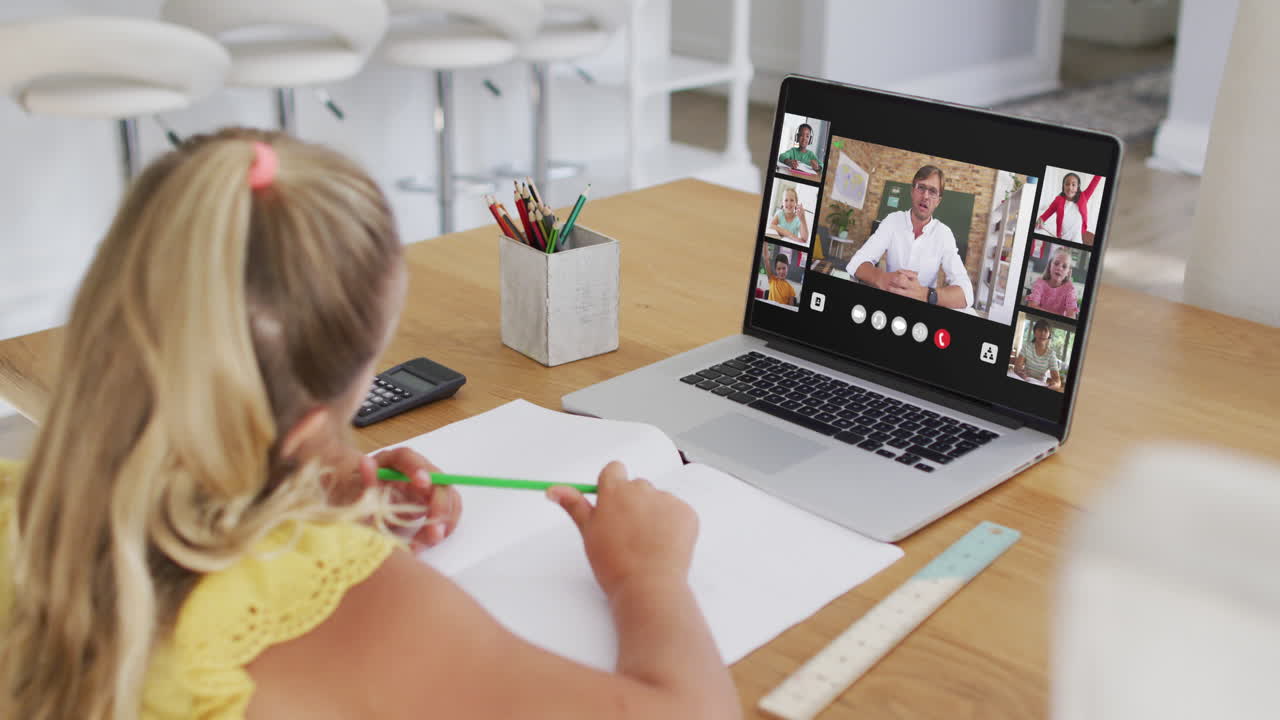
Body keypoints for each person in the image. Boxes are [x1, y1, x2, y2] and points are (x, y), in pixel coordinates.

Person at [0, 129, 740, 720]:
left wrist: (293, 504)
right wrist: (646, 575)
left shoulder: (17, 508)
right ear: (305, 427)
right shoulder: (348, 611)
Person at [844, 165, 974, 310]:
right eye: (921, 187)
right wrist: (881, 278)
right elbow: (856, 263)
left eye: (932, 191)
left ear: (938, 201)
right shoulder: (893, 220)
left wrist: (925, 294)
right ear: (912, 191)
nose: (925, 196)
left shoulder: (944, 234)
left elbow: (966, 294)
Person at [1036, 172, 1102, 245]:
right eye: (1067, 184)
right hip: (1063, 236)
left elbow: (1094, 182)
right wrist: (1041, 219)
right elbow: (1048, 212)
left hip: (1077, 237)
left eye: (1073, 185)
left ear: (1078, 187)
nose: (1070, 187)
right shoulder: (1058, 200)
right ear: (1063, 186)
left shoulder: (1084, 197)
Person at [1024, 246, 1080, 318]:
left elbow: (1071, 316)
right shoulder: (1040, 283)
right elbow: (1031, 307)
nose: (1059, 268)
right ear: (1050, 265)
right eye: (1056, 263)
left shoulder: (1070, 289)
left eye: (1064, 266)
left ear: (1068, 272)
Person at [1013, 318, 1064, 391]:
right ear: (1034, 332)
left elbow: (1058, 382)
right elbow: (1017, 368)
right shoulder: (1027, 346)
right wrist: (1019, 372)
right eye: (1040, 330)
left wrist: (1054, 385)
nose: (1042, 333)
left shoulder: (1051, 354)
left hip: (1040, 386)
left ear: (1049, 334)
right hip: (1024, 380)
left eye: (1045, 330)